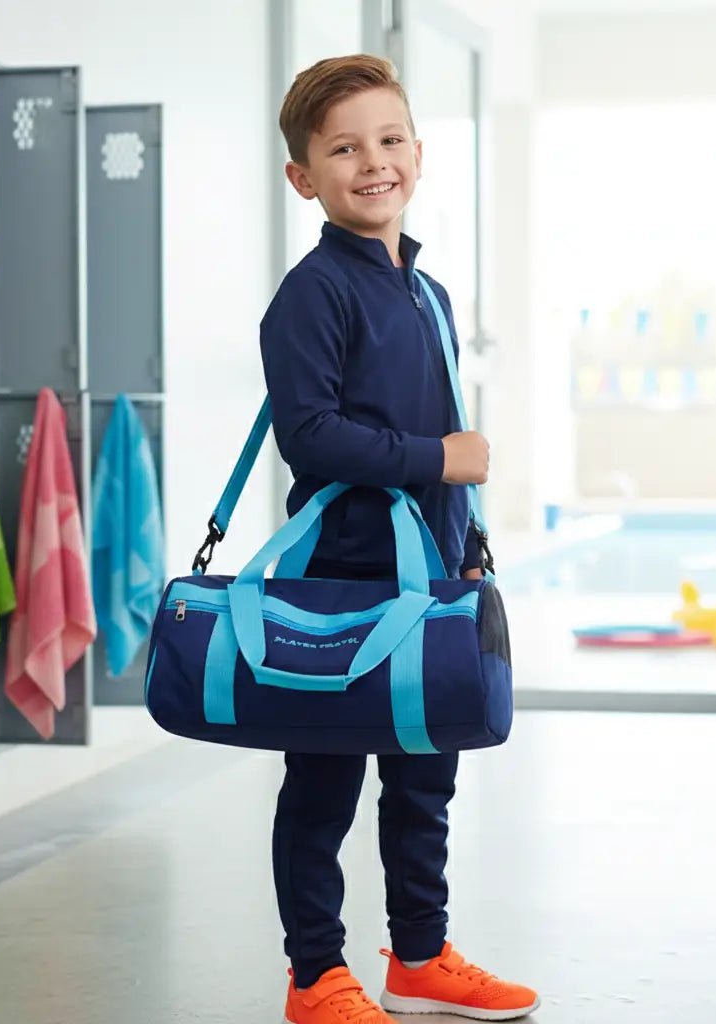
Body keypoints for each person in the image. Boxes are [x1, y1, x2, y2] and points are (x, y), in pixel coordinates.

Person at [260, 54, 540, 1023]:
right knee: (324, 782)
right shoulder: (313, 294)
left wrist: (463, 543)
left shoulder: (427, 292)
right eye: (342, 148)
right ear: (304, 177)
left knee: (424, 779)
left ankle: (418, 955)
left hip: (429, 579)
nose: (371, 162)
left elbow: (437, 428)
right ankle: (314, 974)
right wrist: (440, 460)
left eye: (387, 141)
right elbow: (311, 434)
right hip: (342, 583)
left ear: (417, 153)